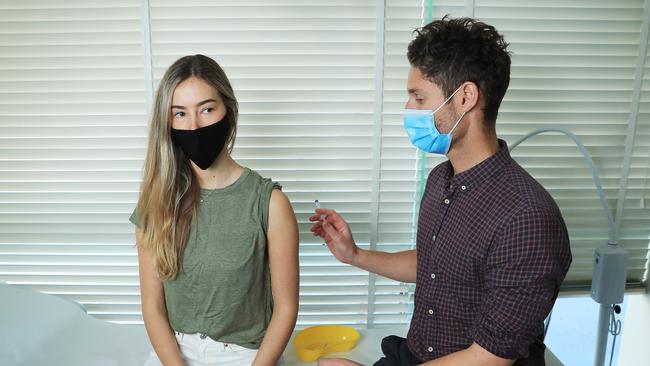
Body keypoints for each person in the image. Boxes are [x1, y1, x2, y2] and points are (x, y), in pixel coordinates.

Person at [310, 17, 572, 366]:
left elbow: (488, 359)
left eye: (419, 98)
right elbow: (435, 265)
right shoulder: (441, 180)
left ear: (465, 97)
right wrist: (355, 255)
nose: (409, 110)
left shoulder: (526, 218)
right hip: (418, 355)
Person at [131, 55, 299, 366]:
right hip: (173, 353)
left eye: (207, 109)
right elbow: (152, 306)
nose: (194, 126)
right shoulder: (155, 203)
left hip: (246, 355)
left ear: (229, 112)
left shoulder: (270, 203)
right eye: (180, 114)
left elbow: (286, 308)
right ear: (167, 123)